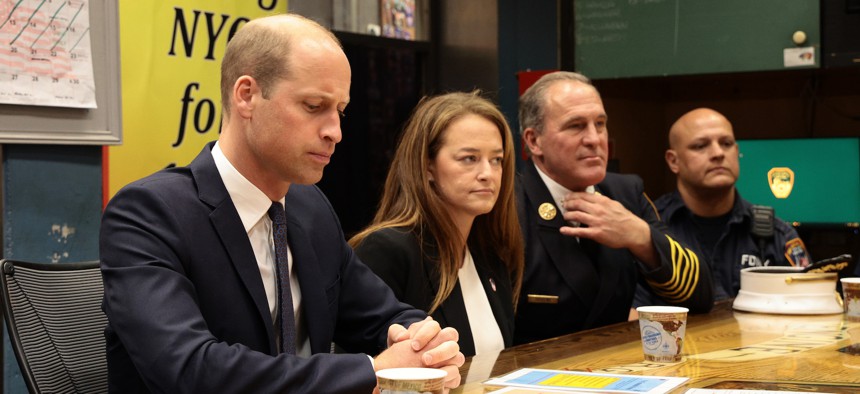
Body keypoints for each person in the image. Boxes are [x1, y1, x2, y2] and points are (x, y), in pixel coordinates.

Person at [100, 14, 463, 393]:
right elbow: (191, 369)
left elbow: (384, 316)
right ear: (246, 96)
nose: (335, 132)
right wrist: (372, 370)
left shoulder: (310, 208)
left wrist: (425, 346)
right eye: (313, 106)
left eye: (339, 110)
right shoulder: (148, 213)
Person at [513, 71, 714, 345]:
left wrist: (640, 236)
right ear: (534, 141)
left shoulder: (624, 193)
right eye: (576, 126)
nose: (595, 139)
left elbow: (700, 295)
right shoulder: (510, 204)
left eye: (600, 123)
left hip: (617, 369)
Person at [349, 92, 524, 358]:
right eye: (469, 158)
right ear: (428, 166)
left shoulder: (491, 254)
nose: (487, 174)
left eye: (496, 160)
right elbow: (359, 365)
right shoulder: (388, 249)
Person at [642, 107, 811, 302]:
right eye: (700, 146)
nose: (718, 153)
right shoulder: (650, 229)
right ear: (673, 161)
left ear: (737, 151)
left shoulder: (776, 234)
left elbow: (810, 305)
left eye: (726, 143)